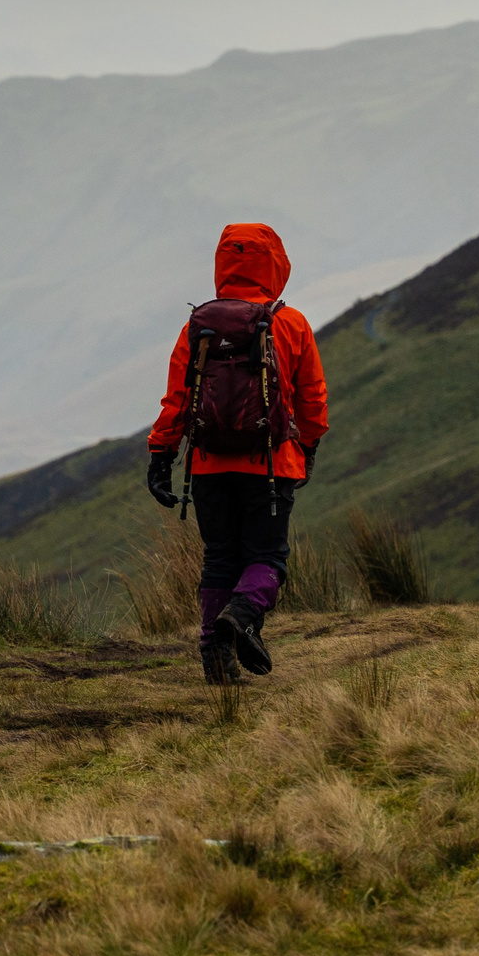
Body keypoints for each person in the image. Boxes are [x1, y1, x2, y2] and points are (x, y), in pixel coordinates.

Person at [146, 223, 331, 685]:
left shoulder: (199, 327)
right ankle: (243, 613)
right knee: (268, 558)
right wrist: (306, 447)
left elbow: (178, 399)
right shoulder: (290, 324)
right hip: (270, 465)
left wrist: (160, 455)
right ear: (275, 264)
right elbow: (312, 400)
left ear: (223, 264)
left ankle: (215, 656)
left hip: (208, 466)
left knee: (219, 559)